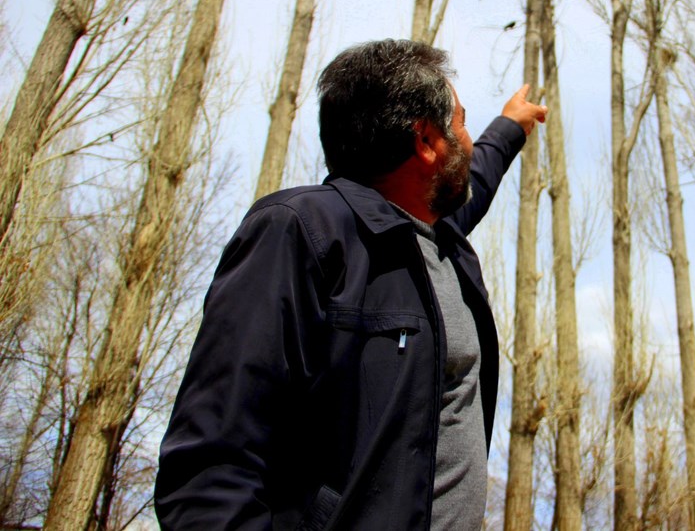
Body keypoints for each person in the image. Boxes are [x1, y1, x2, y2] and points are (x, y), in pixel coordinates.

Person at [154, 39, 547, 530]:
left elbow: (478, 176)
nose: (468, 141)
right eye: (461, 123)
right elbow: (211, 469)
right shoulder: (301, 232)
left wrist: (510, 126)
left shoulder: (435, 236)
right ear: (426, 142)